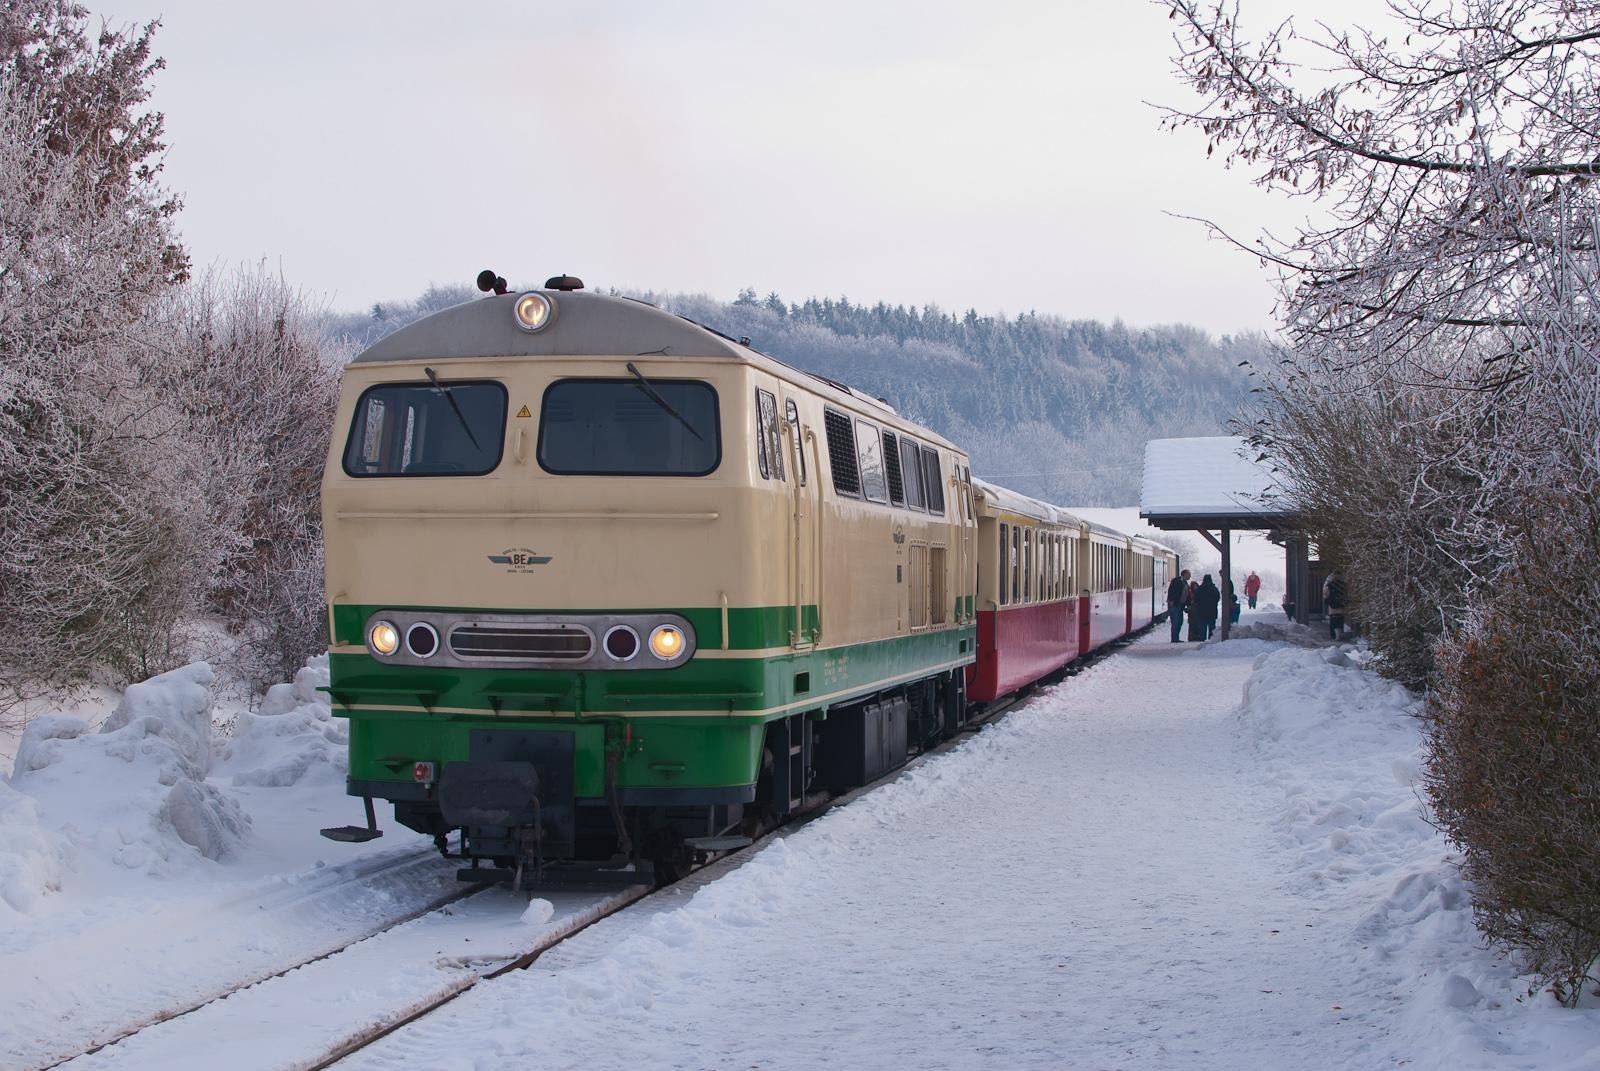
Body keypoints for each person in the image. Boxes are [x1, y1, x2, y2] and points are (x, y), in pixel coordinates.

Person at [1165, 568, 1191, 642]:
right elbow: (1171, 591)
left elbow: (1187, 595)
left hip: (1181, 605)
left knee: (1180, 622)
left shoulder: (1185, 583)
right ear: (1184, 574)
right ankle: (1174, 639)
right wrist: (1171, 600)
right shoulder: (1176, 581)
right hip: (1174, 604)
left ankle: (1176, 637)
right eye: (1189, 574)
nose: (1190, 576)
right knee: (1175, 622)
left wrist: (1188, 604)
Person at [1323, 569, 1348, 640]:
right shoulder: (1344, 584)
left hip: (1332, 606)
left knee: (1333, 621)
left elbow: (1325, 594)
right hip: (1341, 605)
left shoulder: (1329, 584)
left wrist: (1326, 600)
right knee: (1340, 620)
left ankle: (1334, 635)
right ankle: (1339, 634)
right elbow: (1346, 594)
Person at [1196, 574, 1221, 639]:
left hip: (1201, 611)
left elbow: (1196, 599)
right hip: (1212, 611)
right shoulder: (1214, 588)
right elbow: (1217, 598)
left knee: (1202, 627)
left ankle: (1202, 639)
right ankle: (1211, 639)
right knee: (1212, 627)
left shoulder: (1200, 588)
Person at [1186, 575, 1202, 641]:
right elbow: (1187, 601)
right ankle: (1192, 637)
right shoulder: (1190, 593)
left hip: (1195, 609)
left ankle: (1196, 636)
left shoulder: (1197, 592)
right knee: (1192, 624)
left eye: (1196, 585)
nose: (1195, 587)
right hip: (1192, 610)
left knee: (1197, 623)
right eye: (1194, 586)